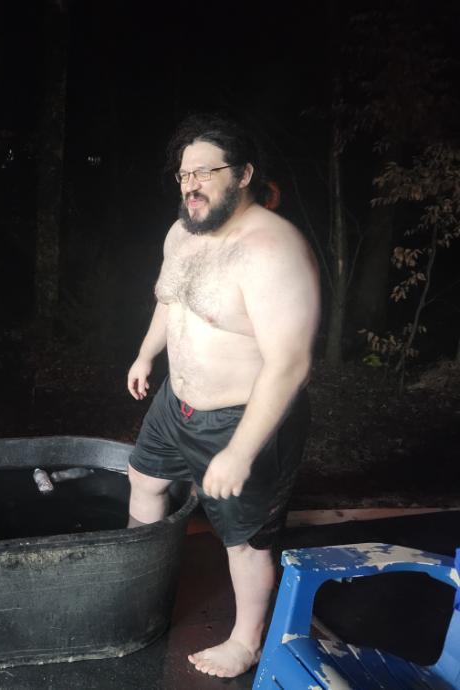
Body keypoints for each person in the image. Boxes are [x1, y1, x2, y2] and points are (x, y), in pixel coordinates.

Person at [125, 113, 320, 679]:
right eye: (184, 173)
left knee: (247, 540)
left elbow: (290, 364)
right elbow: (170, 299)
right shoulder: (184, 233)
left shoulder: (273, 250)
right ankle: (142, 585)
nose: (191, 183)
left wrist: (239, 451)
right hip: (173, 404)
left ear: (244, 175)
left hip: (243, 417)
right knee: (144, 481)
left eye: (206, 171)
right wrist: (145, 355)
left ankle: (245, 641)